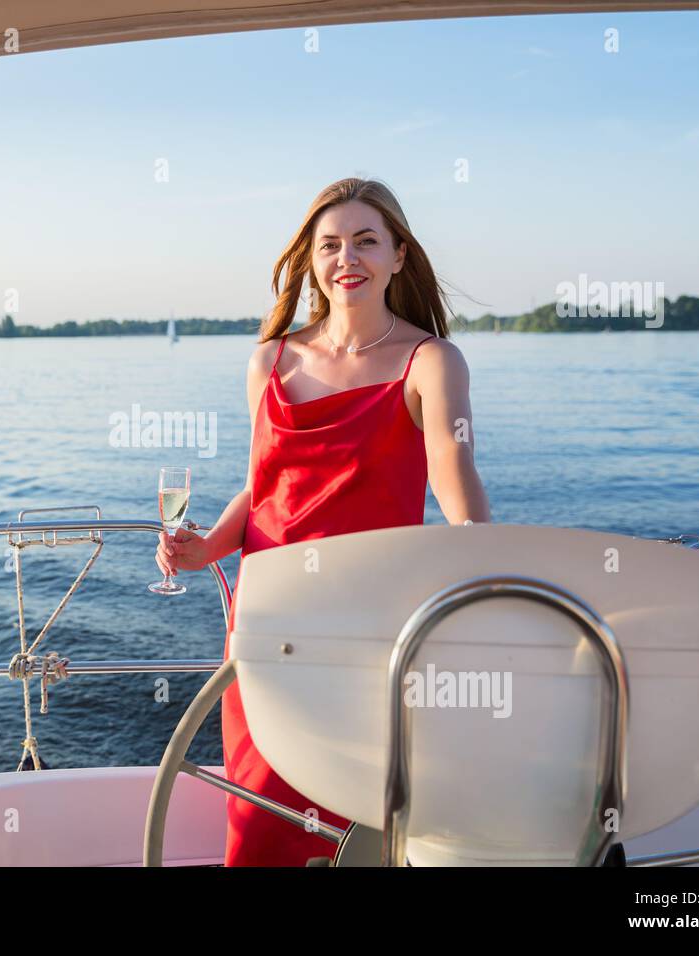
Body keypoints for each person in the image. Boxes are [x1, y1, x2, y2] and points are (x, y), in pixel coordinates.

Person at [154, 177, 492, 866]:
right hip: (266, 625)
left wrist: (482, 579)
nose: (348, 258)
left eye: (367, 241)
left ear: (400, 255)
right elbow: (263, 485)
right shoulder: (271, 360)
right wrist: (206, 546)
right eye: (331, 244)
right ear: (312, 261)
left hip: (372, 629)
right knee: (260, 827)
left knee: (359, 829)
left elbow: (455, 478)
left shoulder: (431, 362)